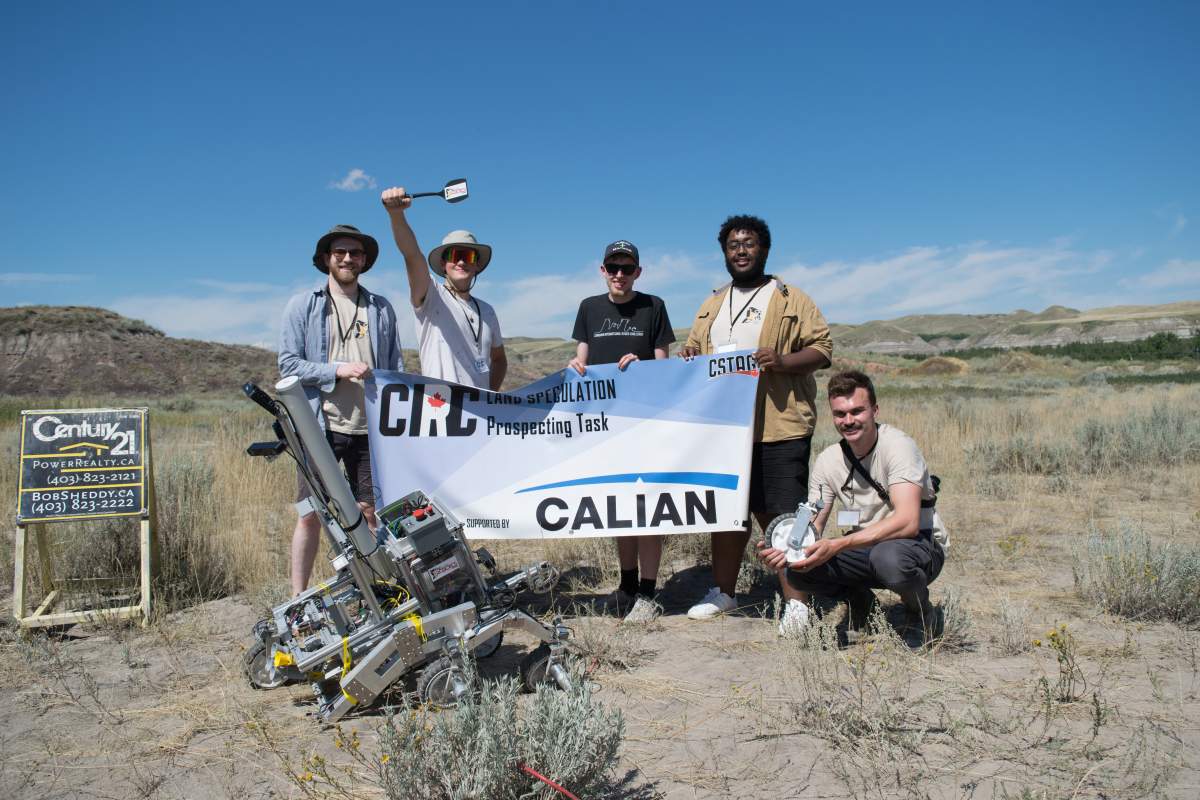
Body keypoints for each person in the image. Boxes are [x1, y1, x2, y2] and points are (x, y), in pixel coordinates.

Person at [679, 214, 832, 626]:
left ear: (764, 249)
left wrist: (782, 361)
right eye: (733, 245)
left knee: (781, 515)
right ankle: (724, 593)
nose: (741, 251)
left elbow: (822, 349)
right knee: (728, 513)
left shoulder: (790, 298)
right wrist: (690, 356)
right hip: (724, 431)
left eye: (749, 243)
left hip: (778, 426)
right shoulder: (713, 303)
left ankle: (797, 603)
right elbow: (694, 349)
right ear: (725, 253)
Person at [757, 370, 949, 646]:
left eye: (857, 411)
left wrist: (839, 544)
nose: (848, 421)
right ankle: (864, 606)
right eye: (840, 414)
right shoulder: (828, 461)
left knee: (887, 559)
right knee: (797, 570)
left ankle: (919, 610)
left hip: (919, 544)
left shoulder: (898, 447)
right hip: (863, 547)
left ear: (874, 410)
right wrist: (784, 547)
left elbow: (908, 522)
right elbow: (811, 524)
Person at [278, 224, 405, 595]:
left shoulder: (380, 308)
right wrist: (337, 370)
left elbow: (394, 365)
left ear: (365, 260)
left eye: (356, 253)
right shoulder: (304, 305)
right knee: (311, 514)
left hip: (369, 430)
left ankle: (375, 591)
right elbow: (288, 364)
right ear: (326, 259)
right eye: (340, 252)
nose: (348, 258)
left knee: (369, 512)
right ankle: (299, 596)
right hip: (321, 429)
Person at [568, 240, 675, 623]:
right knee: (620, 507)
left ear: (637, 273)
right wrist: (575, 367)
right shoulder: (589, 308)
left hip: (643, 425)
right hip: (604, 427)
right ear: (602, 270)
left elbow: (663, 367)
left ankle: (648, 592)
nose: (619, 274)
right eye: (612, 267)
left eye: (626, 268)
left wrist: (642, 366)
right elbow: (580, 360)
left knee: (646, 508)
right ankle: (627, 585)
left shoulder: (654, 306)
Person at [380, 186, 506, 391]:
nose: (461, 262)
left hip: (478, 410)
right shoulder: (431, 295)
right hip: (440, 406)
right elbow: (412, 255)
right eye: (455, 256)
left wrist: (491, 397)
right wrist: (396, 215)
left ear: (477, 265)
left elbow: (499, 359)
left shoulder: (488, 311)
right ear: (443, 264)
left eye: (469, 256)